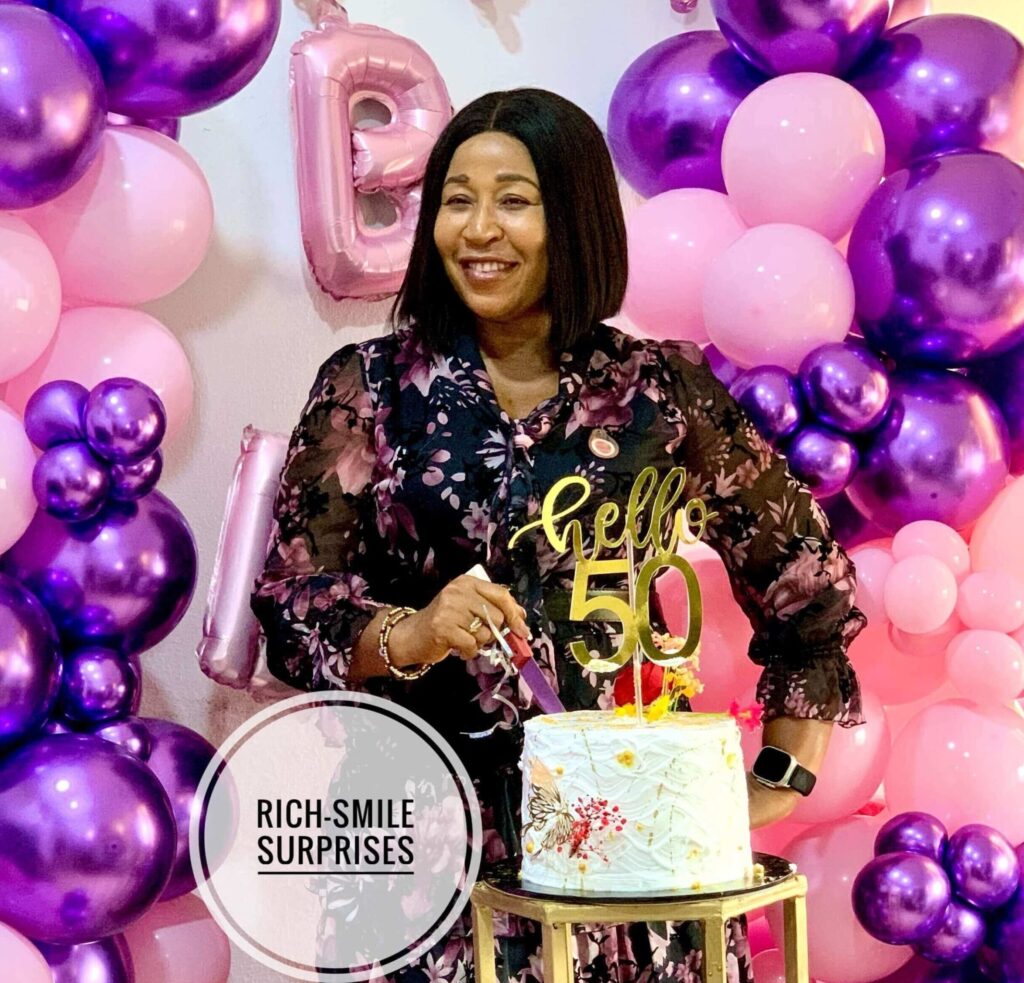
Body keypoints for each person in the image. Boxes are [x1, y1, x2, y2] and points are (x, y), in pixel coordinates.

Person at [252, 87, 864, 983]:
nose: (478, 230)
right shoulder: (369, 388)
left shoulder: (660, 390)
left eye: (514, 201)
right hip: (429, 866)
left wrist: (774, 781)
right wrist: (411, 632)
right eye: (457, 200)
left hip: (631, 870)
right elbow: (290, 602)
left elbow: (806, 584)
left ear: (574, 216)